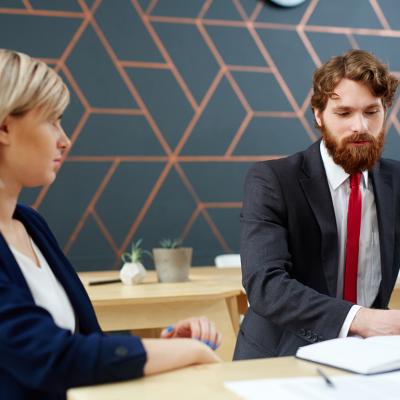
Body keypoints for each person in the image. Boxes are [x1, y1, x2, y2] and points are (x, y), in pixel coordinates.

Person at [0, 49, 221, 400]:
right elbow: (48, 358)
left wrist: (161, 349)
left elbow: (82, 343)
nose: (64, 139)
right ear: (5, 126)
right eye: (52, 120)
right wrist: (189, 352)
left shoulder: (30, 225)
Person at [234, 49, 400, 360]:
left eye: (371, 111)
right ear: (318, 115)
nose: (360, 126)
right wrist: (362, 320)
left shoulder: (397, 181)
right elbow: (266, 286)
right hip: (283, 357)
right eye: (344, 113)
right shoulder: (272, 180)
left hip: (372, 360)